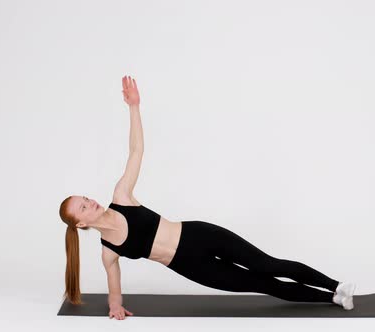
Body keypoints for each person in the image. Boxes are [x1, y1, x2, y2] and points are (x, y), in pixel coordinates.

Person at [58, 74, 357, 320]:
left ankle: (337, 285)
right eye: (84, 207)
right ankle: (332, 298)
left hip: (198, 235)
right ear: (81, 224)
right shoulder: (108, 252)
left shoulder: (121, 196)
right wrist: (114, 307)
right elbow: (114, 289)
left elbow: (136, 151)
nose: (91, 202)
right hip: (192, 267)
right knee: (261, 284)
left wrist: (134, 108)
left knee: (269, 265)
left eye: (86, 198)